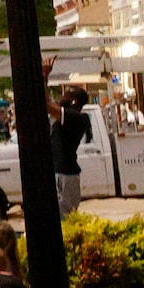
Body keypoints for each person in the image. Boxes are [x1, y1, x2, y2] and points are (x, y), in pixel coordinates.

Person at [52, 89, 92, 217]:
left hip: (66, 174)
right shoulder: (73, 117)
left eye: (65, 95)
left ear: (73, 101)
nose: (61, 97)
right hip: (62, 171)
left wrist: (43, 77)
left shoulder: (75, 117)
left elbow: (47, 106)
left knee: (66, 215)